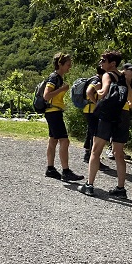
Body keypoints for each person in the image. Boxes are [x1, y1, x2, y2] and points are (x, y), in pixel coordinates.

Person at [79, 51, 132, 198]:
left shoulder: (107, 75)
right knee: (119, 154)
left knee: (95, 150)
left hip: (108, 115)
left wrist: (96, 91)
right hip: (123, 114)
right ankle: (121, 189)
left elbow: (103, 92)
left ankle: (89, 185)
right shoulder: (124, 77)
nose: (101, 63)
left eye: (103, 60)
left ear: (112, 63)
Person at [42, 52, 84, 182]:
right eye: (68, 65)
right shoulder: (54, 78)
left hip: (52, 111)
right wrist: (63, 89)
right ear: (60, 64)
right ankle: (66, 171)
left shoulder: (57, 77)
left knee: (53, 140)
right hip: (53, 112)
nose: (69, 67)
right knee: (64, 141)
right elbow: (46, 96)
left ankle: (50, 169)